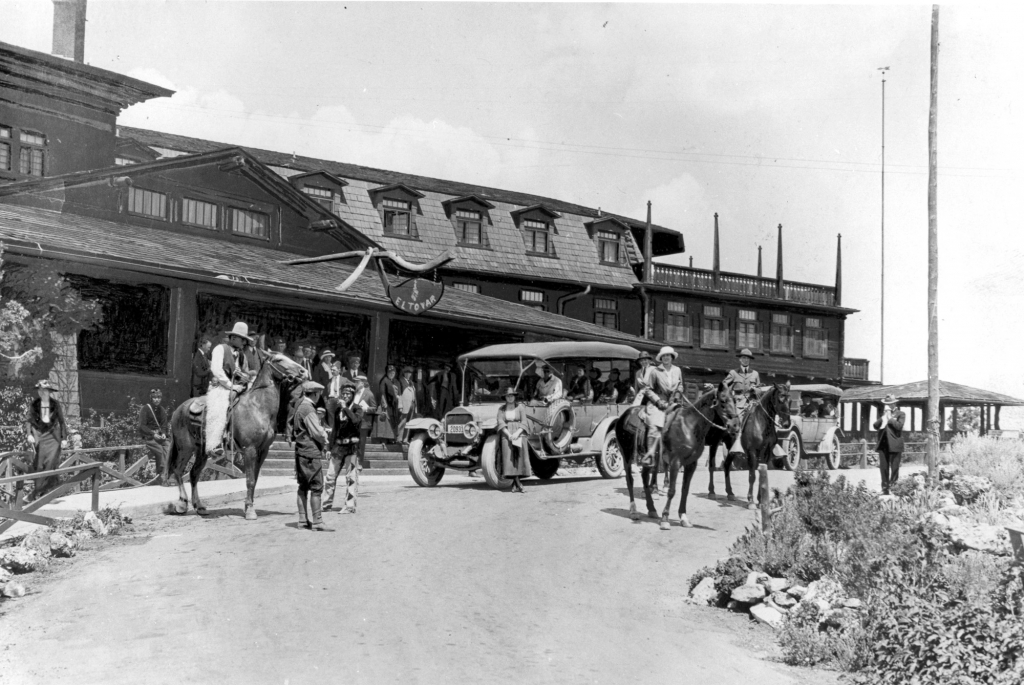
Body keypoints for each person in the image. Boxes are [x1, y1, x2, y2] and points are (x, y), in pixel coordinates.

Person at [204, 322, 252, 459]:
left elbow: (246, 373)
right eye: (242, 339)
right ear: (234, 338)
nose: (244, 342)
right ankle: (215, 443)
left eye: (245, 340)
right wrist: (230, 385)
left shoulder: (242, 355)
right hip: (221, 387)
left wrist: (243, 376)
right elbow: (217, 370)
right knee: (220, 406)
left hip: (238, 387)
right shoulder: (220, 349)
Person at [639, 346, 683, 468]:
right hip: (658, 403)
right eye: (664, 356)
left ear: (672, 357)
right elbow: (648, 390)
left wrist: (677, 395)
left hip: (673, 402)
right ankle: (650, 455)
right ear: (661, 358)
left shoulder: (677, 370)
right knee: (655, 426)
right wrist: (658, 401)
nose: (666, 358)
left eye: (668, 355)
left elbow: (680, 385)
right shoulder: (655, 371)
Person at [323, 381, 364, 514]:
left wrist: (346, 408)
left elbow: (356, 421)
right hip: (338, 448)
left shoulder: (357, 409)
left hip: (351, 448)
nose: (345, 396)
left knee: (351, 477)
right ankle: (326, 504)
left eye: (348, 394)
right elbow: (335, 429)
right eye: (344, 394)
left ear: (353, 395)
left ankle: (349, 506)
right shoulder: (338, 410)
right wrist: (329, 447)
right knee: (330, 476)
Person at [24, 379, 68, 500]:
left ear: (49, 392)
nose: (42, 393)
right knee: (39, 465)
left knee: (50, 463)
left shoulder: (55, 404)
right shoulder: (34, 404)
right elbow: (29, 420)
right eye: (40, 390)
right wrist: (29, 435)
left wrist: (64, 438)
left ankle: (39, 493)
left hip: (53, 437)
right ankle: (40, 492)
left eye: (44, 390)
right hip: (40, 435)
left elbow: (62, 421)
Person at [293, 380, 328, 530]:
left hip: (300, 451)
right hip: (310, 452)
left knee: (302, 486)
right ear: (314, 393)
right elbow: (317, 432)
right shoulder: (308, 408)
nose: (319, 396)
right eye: (319, 393)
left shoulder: (300, 406)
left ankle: (302, 520)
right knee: (316, 487)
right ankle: (318, 522)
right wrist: (325, 438)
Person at [724, 348, 761, 457]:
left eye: (748, 358)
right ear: (740, 359)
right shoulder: (733, 373)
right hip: (739, 402)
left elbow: (760, 389)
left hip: (752, 401)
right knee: (738, 421)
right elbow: (725, 386)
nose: (745, 360)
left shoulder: (755, 374)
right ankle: (737, 444)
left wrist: (755, 389)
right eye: (743, 358)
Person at [496, 389, 531, 493]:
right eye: (508, 396)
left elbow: (524, 421)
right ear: (505, 397)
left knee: (519, 459)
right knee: (509, 459)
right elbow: (500, 422)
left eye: (512, 396)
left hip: (519, 433)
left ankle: (516, 485)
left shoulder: (520, 408)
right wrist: (509, 434)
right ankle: (518, 484)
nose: (510, 398)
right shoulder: (501, 409)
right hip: (507, 435)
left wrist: (517, 433)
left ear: (515, 397)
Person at [874, 394, 906, 495]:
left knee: (895, 467)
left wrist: (890, 419)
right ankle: (885, 489)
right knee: (883, 468)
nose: (888, 406)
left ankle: (894, 488)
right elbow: (875, 426)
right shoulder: (883, 415)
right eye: (886, 404)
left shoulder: (901, 414)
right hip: (883, 445)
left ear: (894, 403)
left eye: (890, 404)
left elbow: (899, 426)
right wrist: (883, 417)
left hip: (895, 445)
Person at [138, 388, 170, 486]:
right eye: (155, 397)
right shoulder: (145, 409)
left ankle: (166, 475)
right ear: (151, 398)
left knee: (169, 448)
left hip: (160, 437)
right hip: (149, 437)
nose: (157, 399)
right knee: (160, 451)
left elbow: (164, 424)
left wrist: (164, 433)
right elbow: (142, 426)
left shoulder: (162, 410)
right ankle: (161, 477)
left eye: (159, 397)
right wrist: (153, 434)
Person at [352, 374, 377, 463]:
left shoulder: (369, 394)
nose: (355, 384)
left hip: (363, 423)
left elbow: (374, 408)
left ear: (362, 383)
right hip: (353, 422)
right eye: (355, 382)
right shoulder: (354, 393)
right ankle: (352, 462)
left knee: (361, 444)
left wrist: (366, 408)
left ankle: (359, 463)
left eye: (357, 382)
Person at [375, 364, 401, 443]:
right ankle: (384, 440)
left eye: (393, 372)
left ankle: (391, 439)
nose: (392, 373)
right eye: (390, 372)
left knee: (392, 423)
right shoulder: (384, 380)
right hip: (386, 406)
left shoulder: (395, 381)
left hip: (393, 406)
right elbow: (382, 393)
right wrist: (384, 404)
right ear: (387, 372)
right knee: (386, 423)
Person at [397, 366, 416, 443]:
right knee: (402, 422)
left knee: (409, 423)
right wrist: (400, 405)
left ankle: (405, 439)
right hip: (405, 405)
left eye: (410, 373)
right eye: (407, 373)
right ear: (404, 373)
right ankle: (399, 439)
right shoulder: (400, 381)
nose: (408, 374)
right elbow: (399, 394)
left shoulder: (411, 382)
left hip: (411, 404)